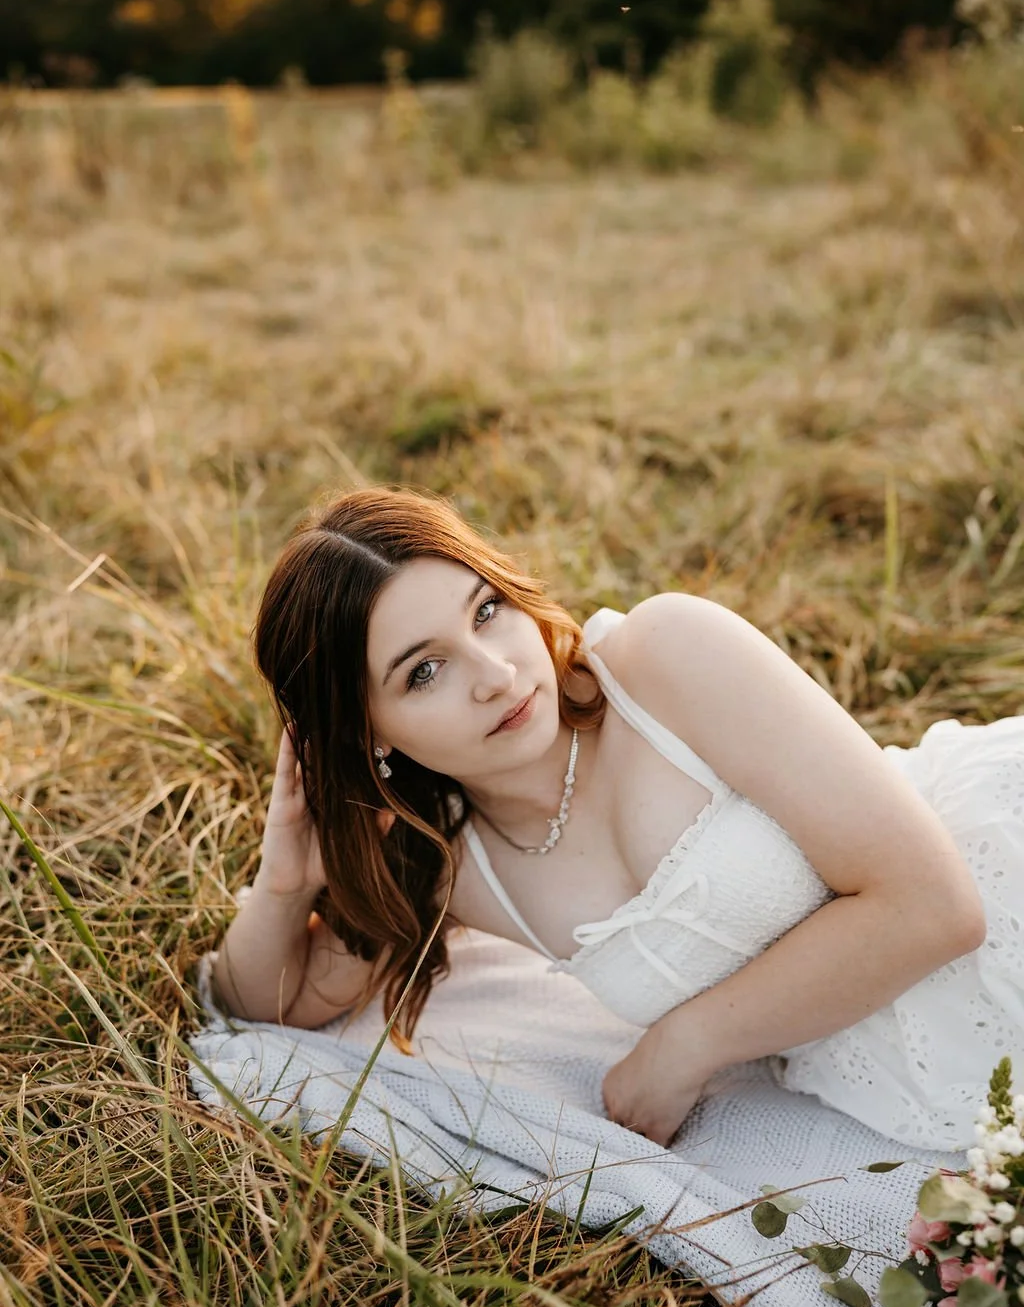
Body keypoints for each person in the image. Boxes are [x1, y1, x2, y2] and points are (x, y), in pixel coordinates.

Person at [211, 485, 1024, 1152]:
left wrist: (686, 1045)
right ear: (367, 730)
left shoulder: (663, 658)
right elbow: (273, 1006)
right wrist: (283, 884)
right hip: (906, 1068)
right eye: (425, 670)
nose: (495, 674)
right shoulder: (448, 863)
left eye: (487, 610)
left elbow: (937, 907)